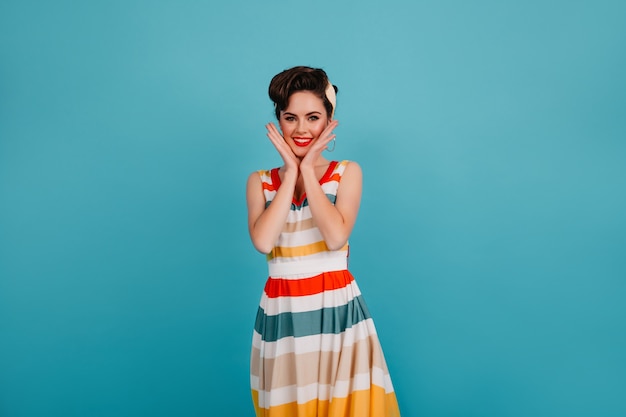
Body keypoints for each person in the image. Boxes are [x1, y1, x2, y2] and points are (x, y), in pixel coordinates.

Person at [247, 66, 401, 417]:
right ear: (279, 121)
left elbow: (335, 237)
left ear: (329, 121)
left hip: (338, 315)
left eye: (313, 117)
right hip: (283, 316)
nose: (301, 129)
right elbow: (263, 240)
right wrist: (290, 175)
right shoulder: (260, 182)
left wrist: (307, 170)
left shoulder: (347, 173)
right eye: (291, 118)